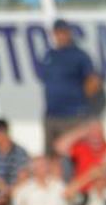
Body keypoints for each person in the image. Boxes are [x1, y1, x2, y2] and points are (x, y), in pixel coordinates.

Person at [40, 19, 100, 155]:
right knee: (51, 155)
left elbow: (93, 81)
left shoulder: (79, 55)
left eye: (63, 32)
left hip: (72, 116)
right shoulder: (50, 55)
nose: (61, 36)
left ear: (69, 33)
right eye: (58, 33)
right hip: (51, 114)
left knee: (72, 154)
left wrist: (79, 99)